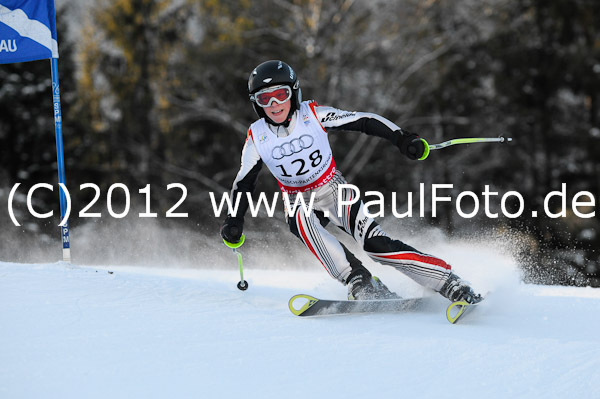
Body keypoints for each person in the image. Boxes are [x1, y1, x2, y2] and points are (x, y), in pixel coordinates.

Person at [220, 60, 481, 303]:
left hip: (333, 190)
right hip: (296, 197)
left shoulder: (313, 115)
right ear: (257, 104)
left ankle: (449, 282)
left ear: (294, 93)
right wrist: (234, 221)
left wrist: (403, 139)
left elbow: (365, 120)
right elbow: (243, 183)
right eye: (265, 99)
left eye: (281, 94)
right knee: (299, 219)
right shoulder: (257, 137)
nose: (275, 104)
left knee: (375, 245)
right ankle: (359, 280)